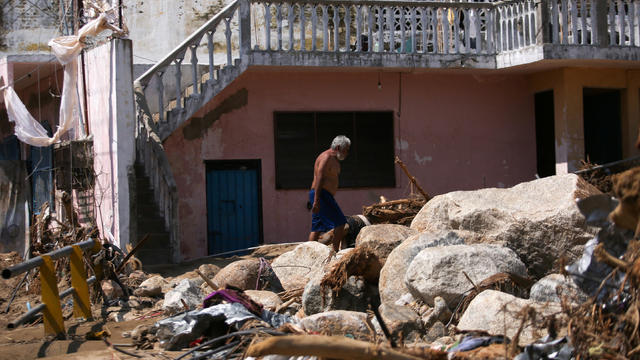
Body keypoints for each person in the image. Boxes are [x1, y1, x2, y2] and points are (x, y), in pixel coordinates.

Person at [308, 135, 351, 252]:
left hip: (323, 195)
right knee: (341, 222)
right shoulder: (326, 157)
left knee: (317, 227)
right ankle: (335, 251)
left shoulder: (334, 159)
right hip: (321, 195)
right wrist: (316, 200)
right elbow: (320, 178)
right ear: (338, 147)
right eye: (345, 149)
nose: (347, 153)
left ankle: (309, 252)